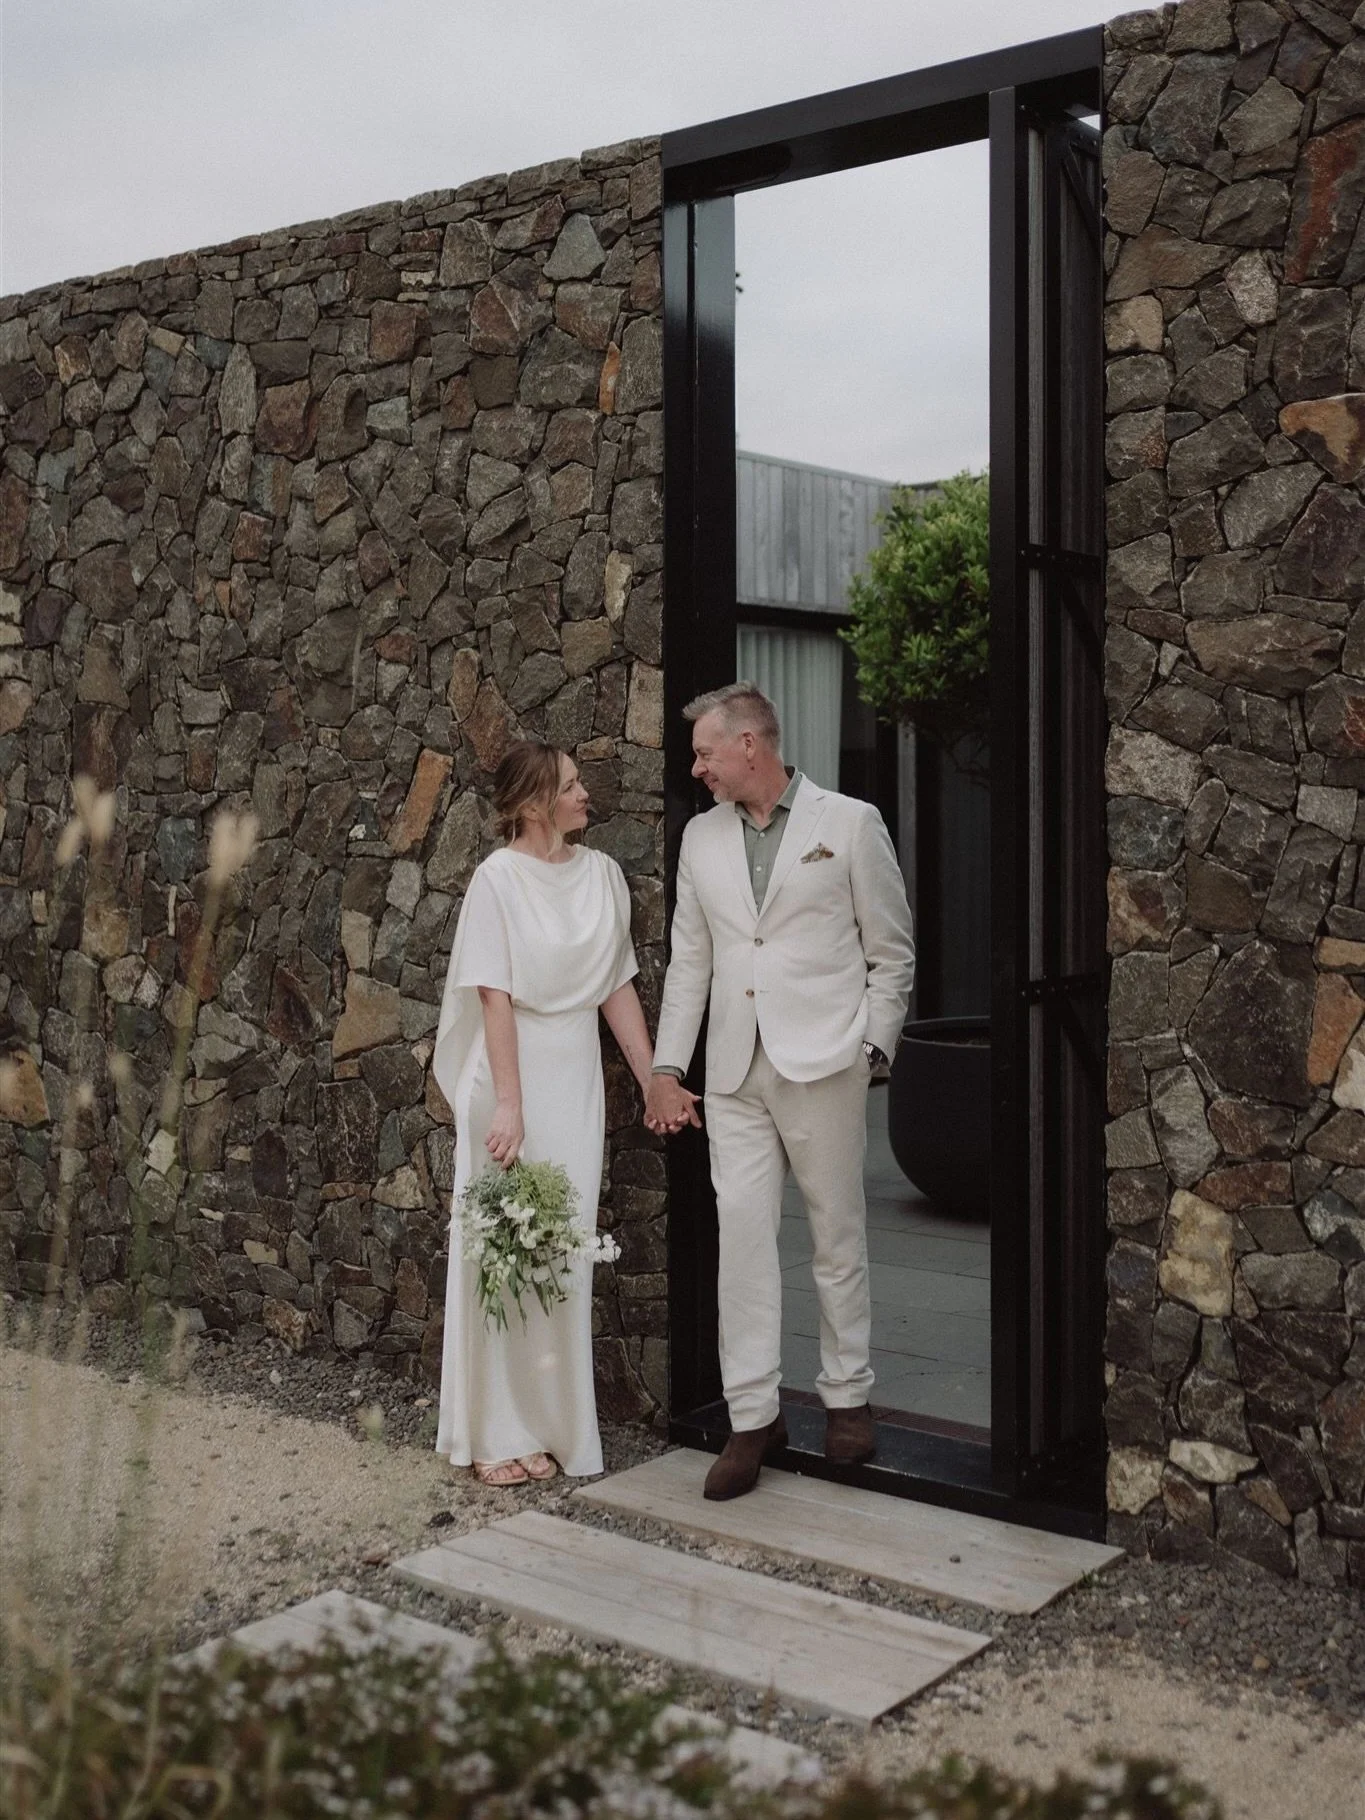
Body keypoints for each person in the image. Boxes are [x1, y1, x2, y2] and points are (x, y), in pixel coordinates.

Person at [645, 683, 915, 1501]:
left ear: (750, 746)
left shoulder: (849, 822)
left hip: (825, 1062)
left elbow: (891, 953)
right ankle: (753, 1415)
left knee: (836, 1233)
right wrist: (666, 1067)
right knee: (743, 1241)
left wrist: (871, 1047)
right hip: (731, 1072)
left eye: (705, 752)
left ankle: (846, 1396)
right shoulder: (700, 838)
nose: (697, 769)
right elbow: (690, 958)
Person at [432, 740, 669, 1486]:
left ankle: (552, 1425)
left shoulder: (600, 876)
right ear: (534, 804)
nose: (584, 795)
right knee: (503, 1253)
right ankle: (496, 1432)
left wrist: (652, 1076)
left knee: (559, 1251)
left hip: (573, 1080)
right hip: (511, 1080)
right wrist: (509, 1103)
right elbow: (491, 992)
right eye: (570, 787)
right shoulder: (495, 880)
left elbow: (616, 986)